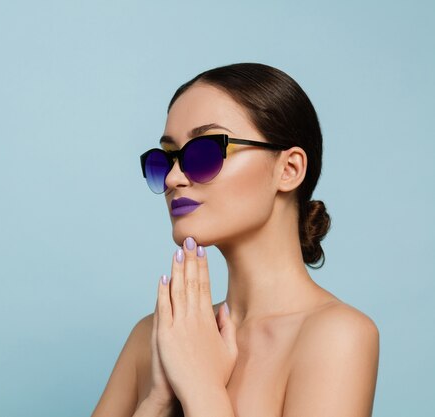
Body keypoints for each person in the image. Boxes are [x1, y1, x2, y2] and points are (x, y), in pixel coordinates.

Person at [91, 63, 379, 417]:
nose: (174, 177)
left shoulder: (337, 337)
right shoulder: (154, 337)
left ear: (288, 170)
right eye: (166, 158)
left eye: (205, 153)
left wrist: (201, 387)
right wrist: (157, 401)